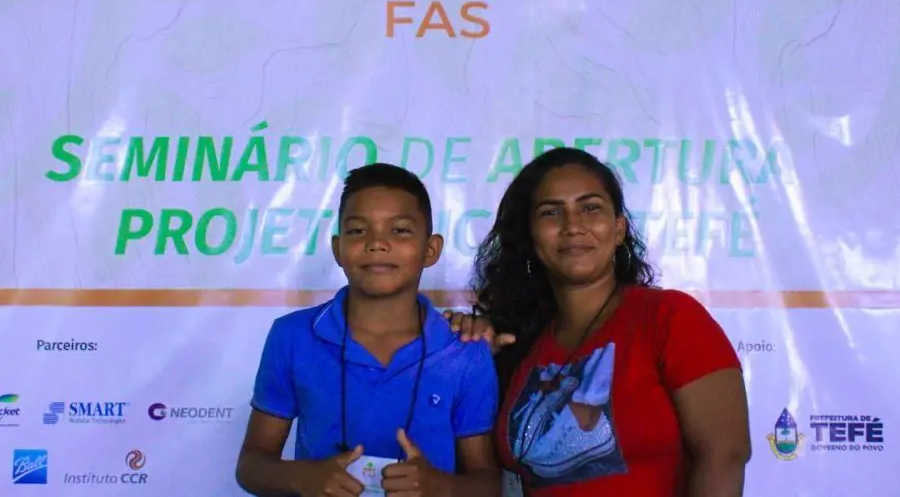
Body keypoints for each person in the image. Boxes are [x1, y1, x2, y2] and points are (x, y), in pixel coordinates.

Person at [446, 147, 750, 497]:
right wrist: (467, 358)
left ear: (619, 228)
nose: (573, 226)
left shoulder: (670, 317)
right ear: (530, 236)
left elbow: (725, 454)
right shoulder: (517, 344)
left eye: (590, 208)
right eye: (551, 212)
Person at [236, 163, 501, 497]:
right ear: (338, 248)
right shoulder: (293, 336)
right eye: (358, 230)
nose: (377, 243)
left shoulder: (464, 351)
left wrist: (441, 487)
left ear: (430, 250)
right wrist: (303, 477)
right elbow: (251, 465)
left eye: (400, 230)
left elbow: (488, 484)